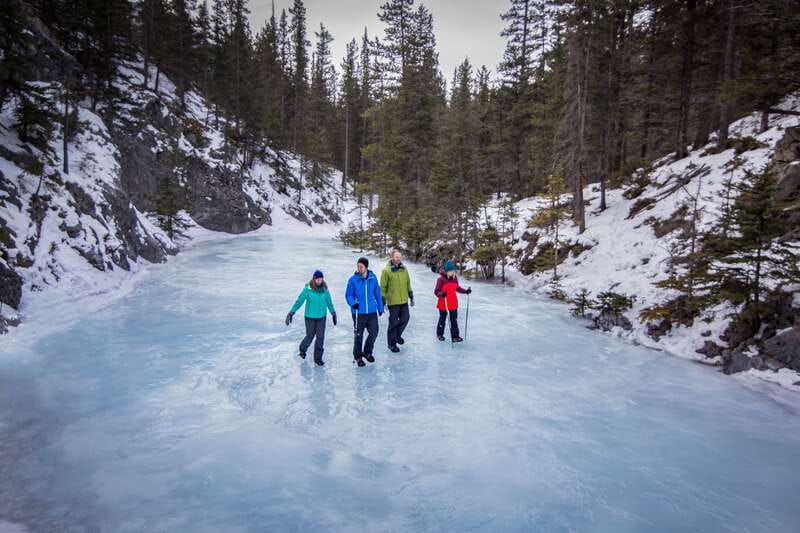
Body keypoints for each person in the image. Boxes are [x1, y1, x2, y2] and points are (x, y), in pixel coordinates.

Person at [285, 270, 337, 366]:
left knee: (320, 337)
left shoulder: (325, 289)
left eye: (321, 279)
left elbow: (329, 302)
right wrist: (291, 312)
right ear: (314, 279)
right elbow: (299, 301)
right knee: (310, 336)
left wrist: (333, 313)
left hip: (321, 317)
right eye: (317, 279)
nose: (319, 281)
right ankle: (302, 349)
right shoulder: (308, 289)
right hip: (310, 317)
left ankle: (318, 358)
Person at [345, 257, 385, 367]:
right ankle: (358, 356)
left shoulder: (373, 278)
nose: (359, 268)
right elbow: (348, 295)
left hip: (371, 311)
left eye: (361, 266)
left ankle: (367, 352)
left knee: (374, 332)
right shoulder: (353, 280)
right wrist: (353, 303)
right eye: (358, 266)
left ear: (366, 267)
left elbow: (377, 293)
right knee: (359, 335)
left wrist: (380, 308)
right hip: (359, 312)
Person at [380, 249, 414, 353]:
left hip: (403, 300)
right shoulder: (386, 270)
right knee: (393, 323)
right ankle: (391, 344)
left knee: (405, 318)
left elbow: (408, 283)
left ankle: (397, 336)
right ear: (392, 257)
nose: (398, 258)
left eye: (399, 257)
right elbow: (383, 287)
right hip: (393, 302)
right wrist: (383, 300)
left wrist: (411, 295)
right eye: (396, 257)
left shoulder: (404, 269)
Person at [434, 260, 471, 343]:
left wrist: (466, 291)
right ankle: (439, 334)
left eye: (452, 270)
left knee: (454, 320)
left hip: (453, 303)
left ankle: (455, 336)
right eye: (450, 271)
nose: (451, 272)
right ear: (446, 271)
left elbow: (457, 288)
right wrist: (441, 294)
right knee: (442, 319)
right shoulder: (441, 279)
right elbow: (436, 291)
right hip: (444, 303)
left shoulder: (455, 278)